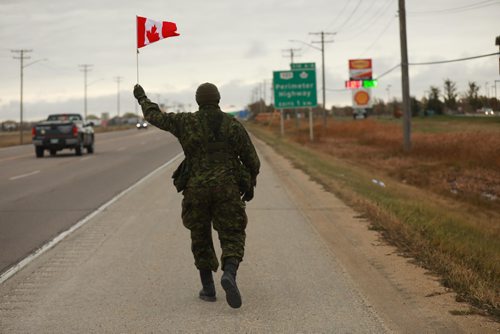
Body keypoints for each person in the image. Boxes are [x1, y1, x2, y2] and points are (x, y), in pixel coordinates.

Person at [133, 83, 260, 309]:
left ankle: (208, 288)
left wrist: (142, 97)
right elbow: (252, 160)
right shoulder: (233, 125)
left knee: (200, 235)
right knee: (232, 233)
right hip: (227, 188)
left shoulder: (186, 122)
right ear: (218, 99)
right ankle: (229, 273)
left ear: (198, 101)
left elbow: (154, 116)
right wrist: (250, 183)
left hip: (196, 189)